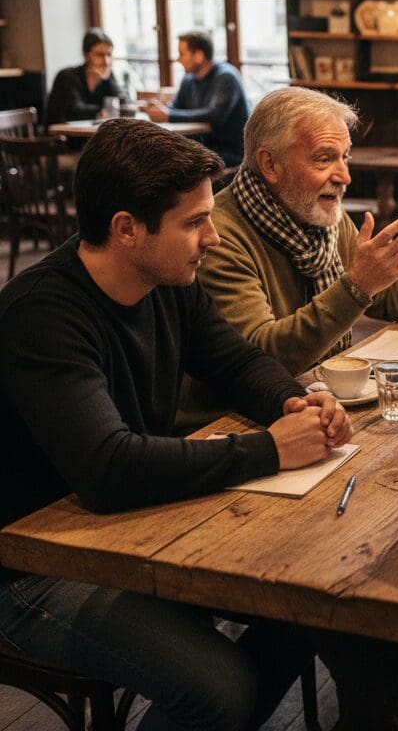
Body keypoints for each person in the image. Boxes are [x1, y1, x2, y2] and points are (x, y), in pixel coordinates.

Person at [0, 119, 345, 730]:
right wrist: (270, 448)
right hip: (31, 572)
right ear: (126, 229)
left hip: (124, 534)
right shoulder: (42, 314)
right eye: (194, 223)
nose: (212, 237)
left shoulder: (167, 280)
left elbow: (237, 361)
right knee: (219, 689)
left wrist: (295, 402)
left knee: (311, 608)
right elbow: (108, 468)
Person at [183, 86, 398, 406]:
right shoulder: (218, 236)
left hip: (315, 395)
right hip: (237, 418)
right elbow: (261, 359)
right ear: (270, 165)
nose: (345, 176)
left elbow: (385, 299)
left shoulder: (324, 218)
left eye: (345, 157)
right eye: (324, 159)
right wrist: (355, 287)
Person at [143, 29, 248, 167]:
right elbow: (175, 107)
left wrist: (168, 115)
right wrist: (160, 110)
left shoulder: (226, 77)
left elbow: (215, 115)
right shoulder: (189, 79)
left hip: (228, 154)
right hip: (200, 149)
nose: (178, 59)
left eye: (182, 54)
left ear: (199, 55)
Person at [44, 27, 123, 124]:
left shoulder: (107, 76)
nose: (106, 62)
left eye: (109, 55)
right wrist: (104, 109)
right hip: (63, 136)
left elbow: (122, 101)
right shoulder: (67, 76)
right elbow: (75, 111)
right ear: (86, 56)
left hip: (89, 135)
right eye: (100, 55)